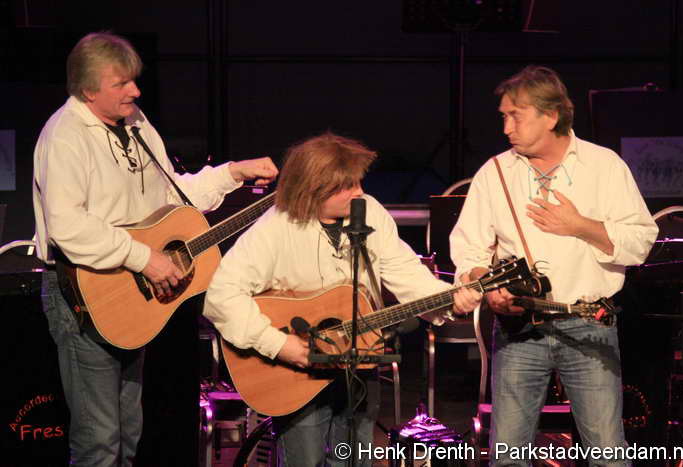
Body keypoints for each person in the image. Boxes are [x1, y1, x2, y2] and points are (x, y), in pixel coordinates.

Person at [32, 32, 278, 467]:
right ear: (88, 90)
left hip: (130, 294)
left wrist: (232, 173)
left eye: (134, 80)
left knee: (128, 434)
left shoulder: (136, 123)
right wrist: (146, 258)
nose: (135, 91)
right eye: (121, 84)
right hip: (84, 293)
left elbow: (172, 197)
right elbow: (68, 226)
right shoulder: (65, 136)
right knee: (99, 443)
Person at [204, 131, 481, 466]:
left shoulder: (370, 213)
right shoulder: (276, 227)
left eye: (358, 182)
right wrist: (278, 344)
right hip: (295, 373)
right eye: (347, 186)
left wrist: (449, 299)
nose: (359, 191)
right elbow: (222, 294)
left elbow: (406, 273)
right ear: (315, 189)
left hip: (358, 364)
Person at [449, 66, 658, 466]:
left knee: (607, 454)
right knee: (508, 455)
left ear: (551, 115)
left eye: (516, 116)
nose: (506, 127)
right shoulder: (495, 172)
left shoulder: (603, 166)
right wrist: (487, 287)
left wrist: (580, 225)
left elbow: (640, 243)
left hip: (589, 323)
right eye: (503, 117)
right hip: (519, 329)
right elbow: (470, 250)